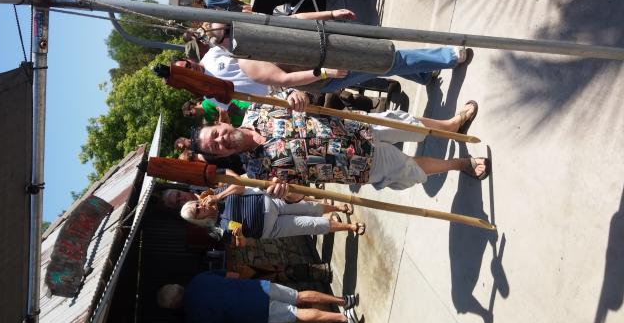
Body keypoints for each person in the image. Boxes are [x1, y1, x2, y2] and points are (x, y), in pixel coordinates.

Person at [189, 97, 490, 190]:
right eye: (215, 147)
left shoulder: (259, 108)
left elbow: (300, 97)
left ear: (220, 123)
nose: (221, 140)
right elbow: (298, 196)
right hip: (355, 165)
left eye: (215, 134)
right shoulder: (256, 173)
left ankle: (452, 125)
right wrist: (285, 194)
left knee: (408, 124)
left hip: (352, 126)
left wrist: (298, 96)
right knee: (407, 167)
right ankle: (460, 164)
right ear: (222, 155)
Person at [199, 20, 472, 98]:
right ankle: (448, 57)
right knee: (387, 60)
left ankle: (423, 75)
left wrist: (329, 15)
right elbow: (285, 79)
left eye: (229, 26)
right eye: (226, 34)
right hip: (324, 76)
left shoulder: (251, 26)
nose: (232, 32)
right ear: (222, 45)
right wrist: (325, 73)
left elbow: (293, 20)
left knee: (382, 62)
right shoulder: (247, 62)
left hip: (326, 50)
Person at [157, 270, 361, 323]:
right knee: (298, 296)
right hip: (258, 288)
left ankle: (343, 318)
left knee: (296, 313)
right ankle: (344, 300)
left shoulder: (194, 315)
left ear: (174, 305)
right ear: (178, 287)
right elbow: (234, 275)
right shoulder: (199, 278)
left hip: (256, 311)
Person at [179, 181, 362, 243]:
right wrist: (240, 236)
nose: (200, 208)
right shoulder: (216, 229)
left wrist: (218, 196)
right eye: (197, 212)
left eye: (197, 205)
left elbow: (239, 185)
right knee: (310, 225)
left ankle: (339, 208)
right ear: (198, 220)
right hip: (270, 228)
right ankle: (350, 227)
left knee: (309, 207)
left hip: (272, 202)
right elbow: (241, 244)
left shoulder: (216, 195)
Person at [182, 98, 251, 127]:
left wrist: (221, 120)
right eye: (191, 117)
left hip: (242, 109)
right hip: (241, 121)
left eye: (190, 114)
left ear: (192, 107)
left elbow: (223, 110)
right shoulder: (207, 117)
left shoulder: (207, 102)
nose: (193, 117)